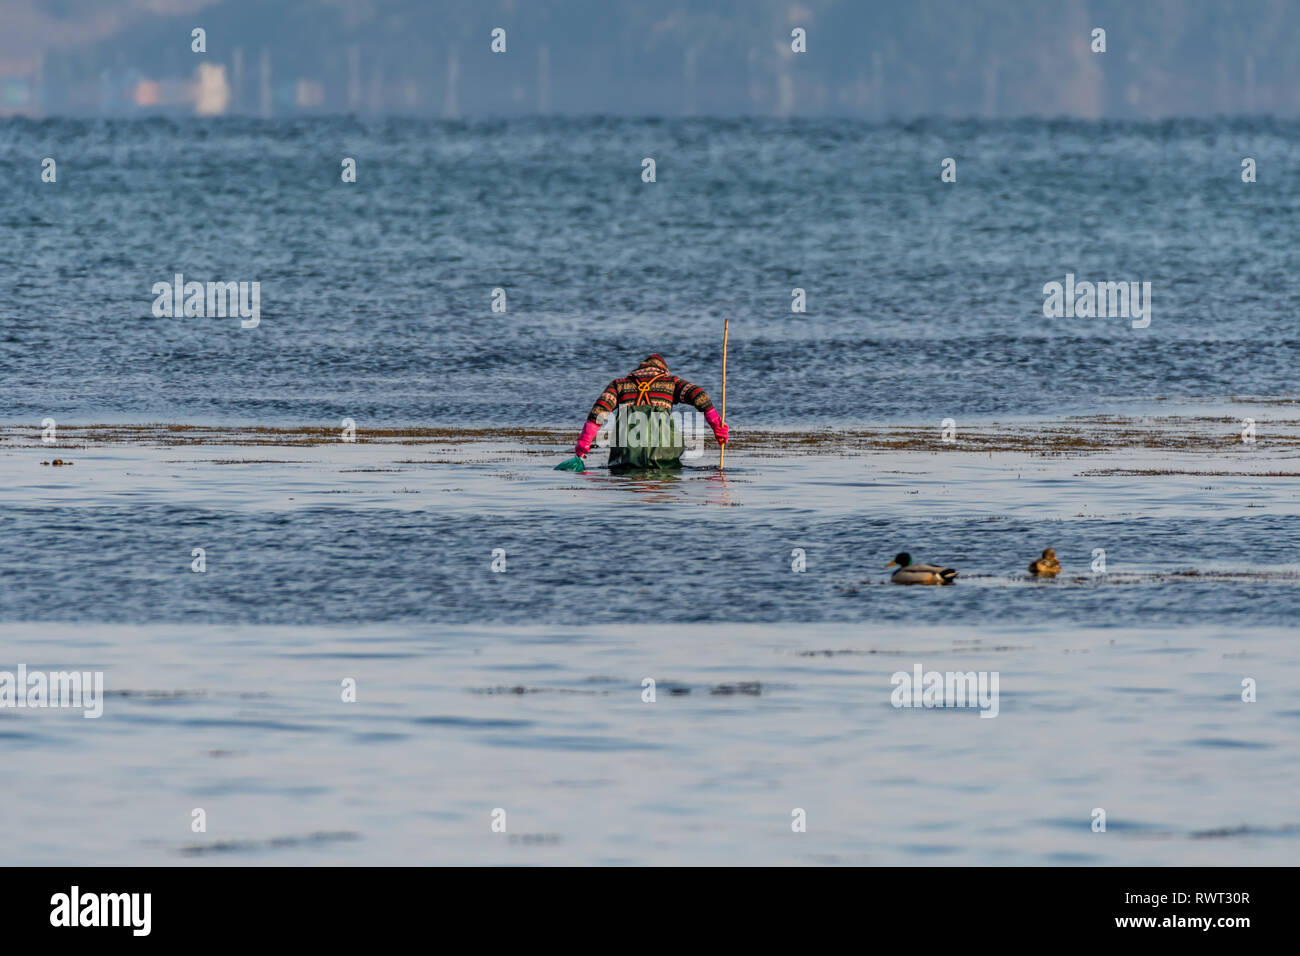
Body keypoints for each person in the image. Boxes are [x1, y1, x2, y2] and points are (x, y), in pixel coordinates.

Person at [573, 354, 728, 470]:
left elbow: (598, 412)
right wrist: (716, 425)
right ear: (663, 371)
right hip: (664, 458)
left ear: (639, 370)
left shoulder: (619, 385)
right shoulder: (671, 383)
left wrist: (583, 444)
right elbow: (699, 395)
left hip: (626, 458)